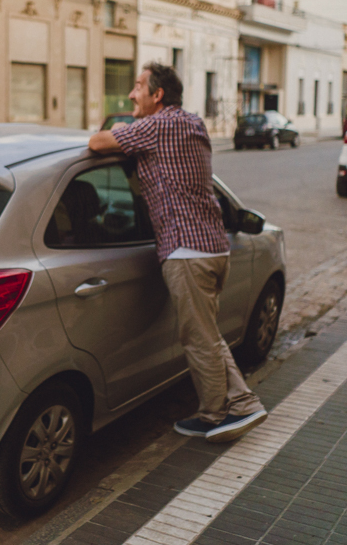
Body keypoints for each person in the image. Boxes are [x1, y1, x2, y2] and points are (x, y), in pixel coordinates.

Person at [88, 62, 267, 443]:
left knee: (198, 337)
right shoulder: (190, 123)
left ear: (158, 95)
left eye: (138, 87)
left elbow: (97, 142)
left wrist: (120, 129)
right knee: (208, 334)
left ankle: (216, 413)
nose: (131, 95)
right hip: (213, 248)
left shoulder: (158, 125)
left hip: (186, 251)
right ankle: (242, 402)